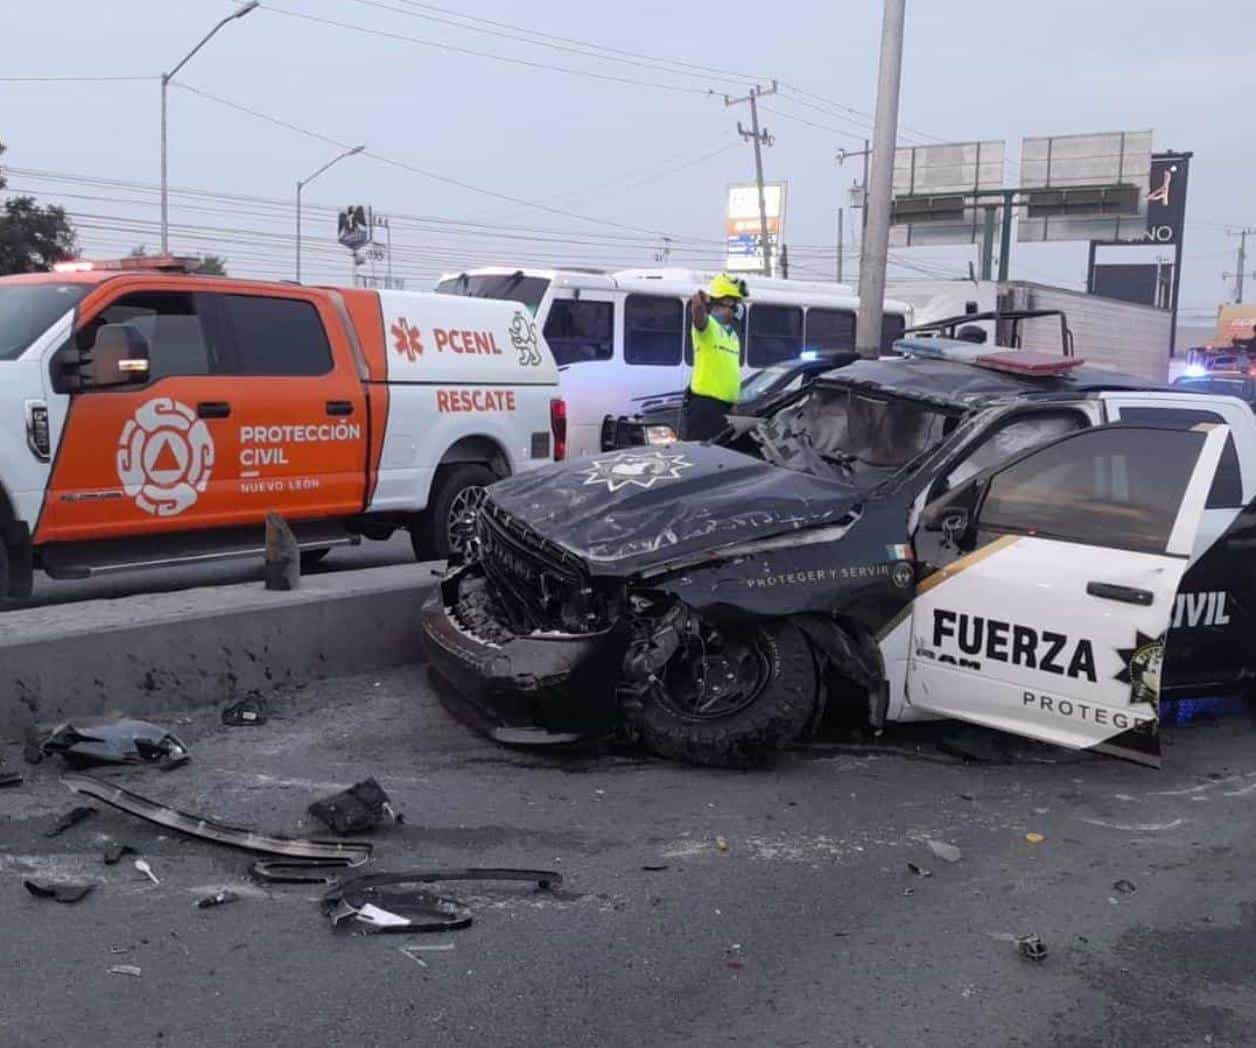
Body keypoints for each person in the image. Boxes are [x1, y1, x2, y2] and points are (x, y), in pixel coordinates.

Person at [683, 273, 748, 441]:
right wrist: (703, 300)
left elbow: (730, 372)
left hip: (725, 409)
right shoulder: (707, 327)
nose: (735, 311)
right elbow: (697, 309)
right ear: (721, 303)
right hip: (705, 407)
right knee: (702, 459)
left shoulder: (732, 335)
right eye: (733, 306)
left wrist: (733, 404)